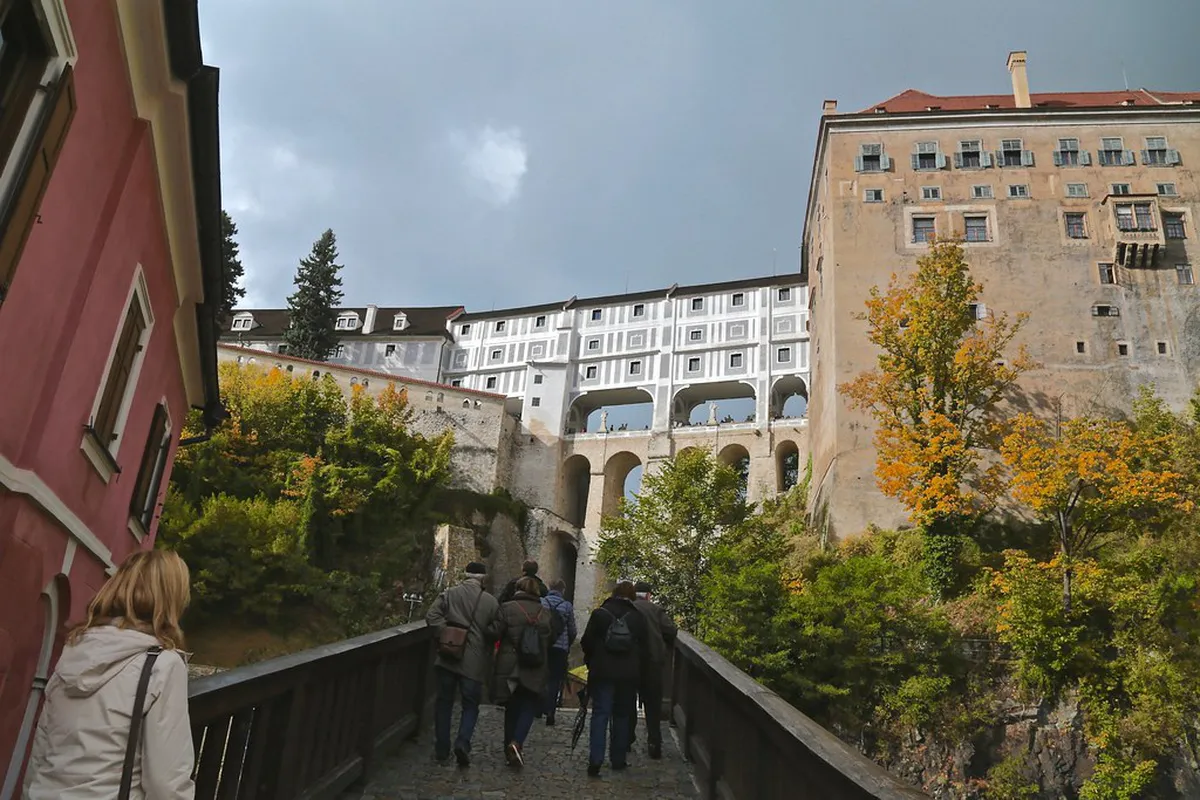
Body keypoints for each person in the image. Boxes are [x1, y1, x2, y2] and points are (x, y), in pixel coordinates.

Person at [24, 549, 196, 799]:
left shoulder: (75, 650)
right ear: (172, 599)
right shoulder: (162, 665)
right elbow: (166, 783)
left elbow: (41, 749)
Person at [425, 561, 500, 767]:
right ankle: (463, 742)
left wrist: (447, 633)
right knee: (470, 705)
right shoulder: (490, 602)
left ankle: (442, 749)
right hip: (473, 662)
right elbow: (496, 630)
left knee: (444, 703)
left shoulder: (450, 594)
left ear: (465, 575)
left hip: (447, 656)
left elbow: (431, 615)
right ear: (483, 579)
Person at [580, 580, 651, 776]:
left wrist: (592, 661)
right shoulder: (637, 617)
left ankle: (595, 759)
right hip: (628, 674)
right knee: (621, 715)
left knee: (600, 714)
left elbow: (586, 642)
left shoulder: (600, 614)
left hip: (603, 671)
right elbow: (645, 648)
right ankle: (618, 759)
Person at [490, 576, 553, 768]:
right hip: (535, 664)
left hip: (510, 664)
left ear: (518, 588)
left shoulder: (507, 608)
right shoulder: (545, 613)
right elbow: (550, 638)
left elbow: (495, 632)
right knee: (529, 705)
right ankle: (516, 742)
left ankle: (509, 748)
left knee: (512, 707)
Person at [630, 581, 677, 759]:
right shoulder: (655, 610)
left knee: (627, 702)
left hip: (630, 663)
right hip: (652, 663)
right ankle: (654, 743)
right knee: (653, 705)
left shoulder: (628, 608)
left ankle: (626, 738)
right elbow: (671, 630)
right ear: (649, 595)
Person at [540, 578, 577, 725]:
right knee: (555, 680)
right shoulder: (567, 606)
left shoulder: (542, 602)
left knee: (541, 677)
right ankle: (551, 710)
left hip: (543, 645)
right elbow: (572, 630)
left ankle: (538, 707)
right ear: (563, 590)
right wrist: (567, 643)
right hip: (560, 648)